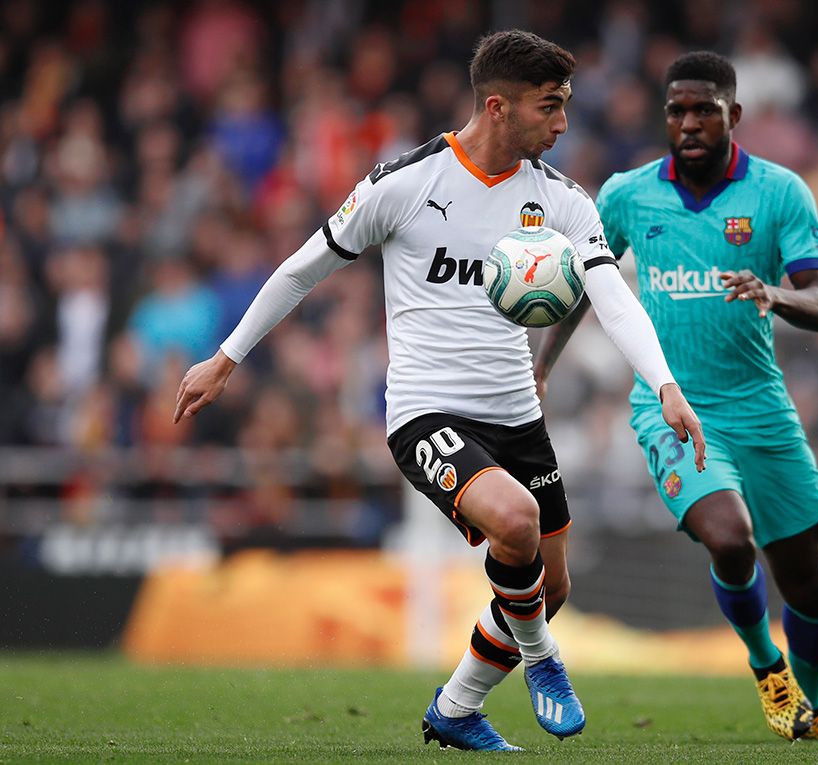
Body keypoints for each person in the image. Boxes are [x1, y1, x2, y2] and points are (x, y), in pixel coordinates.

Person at [174, 30, 706, 752]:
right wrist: (226, 359)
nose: (562, 124)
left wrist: (665, 384)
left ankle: (455, 707)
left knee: (550, 588)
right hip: (427, 414)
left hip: (517, 415)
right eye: (550, 107)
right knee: (514, 523)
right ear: (497, 107)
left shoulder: (561, 201)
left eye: (566, 106)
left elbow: (612, 298)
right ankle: (545, 658)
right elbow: (302, 269)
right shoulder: (406, 184)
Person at [535, 51, 818, 743]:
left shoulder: (781, 193)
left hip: (762, 405)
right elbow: (585, 283)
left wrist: (774, 292)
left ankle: (807, 709)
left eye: (704, 110)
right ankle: (767, 669)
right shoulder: (628, 195)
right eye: (677, 110)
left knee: (811, 586)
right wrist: (540, 369)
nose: (689, 123)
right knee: (729, 535)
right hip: (674, 404)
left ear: (734, 115)